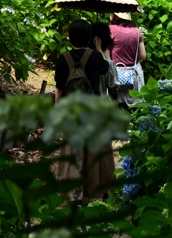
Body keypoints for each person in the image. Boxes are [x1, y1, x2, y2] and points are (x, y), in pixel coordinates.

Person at [53, 20, 109, 201]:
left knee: (73, 151)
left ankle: (73, 194)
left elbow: (59, 89)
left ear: (69, 38)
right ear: (90, 38)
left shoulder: (64, 58)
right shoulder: (95, 56)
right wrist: (98, 47)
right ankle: (93, 191)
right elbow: (105, 68)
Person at [88, 22, 119, 194]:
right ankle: (106, 187)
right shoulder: (107, 62)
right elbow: (113, 86)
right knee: (104, 151)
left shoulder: (80, 59)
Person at [109, 12, 146, 108]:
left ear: (115, 15)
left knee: (117, 106)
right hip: (134, 74)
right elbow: (143, 56)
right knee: (134, 107)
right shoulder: (136, 31)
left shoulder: (110, 30)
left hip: (116, 74)